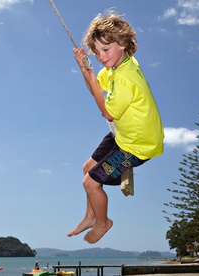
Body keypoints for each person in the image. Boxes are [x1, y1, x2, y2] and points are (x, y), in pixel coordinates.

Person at [67, 10, 164, 244]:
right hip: (124, 134)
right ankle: (91, 216)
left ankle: (103, 222)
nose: (101, 57)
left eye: (106, 49)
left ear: (122, 44)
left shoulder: (124, 77)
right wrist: (84, 70)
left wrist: (90, 77)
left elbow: (107, 112)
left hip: (138, 147)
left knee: (90, 182)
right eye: (97, 52)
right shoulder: (117, 67)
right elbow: (95, 89)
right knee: (87, 167)